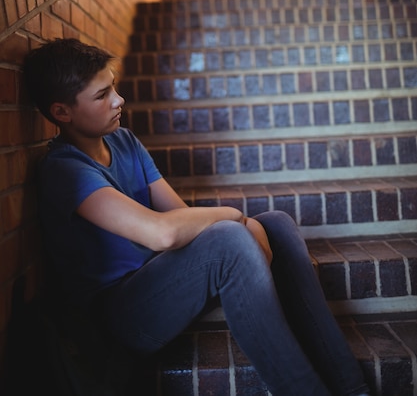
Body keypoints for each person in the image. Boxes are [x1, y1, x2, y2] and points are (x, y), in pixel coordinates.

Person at [23, 37, 371, 396]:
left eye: (112, 86)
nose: (118, 99)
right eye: (101, 95)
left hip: (160, 284)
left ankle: (352, 388)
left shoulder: (124, 141)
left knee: (277, 224)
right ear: (62, 112)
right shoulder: (65, 170)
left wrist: (244, 226)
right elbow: (163, 234)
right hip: (119, 318)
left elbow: (182, 218)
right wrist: (237, 218)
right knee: (230, 238)